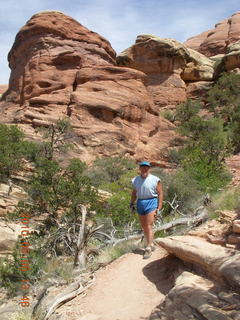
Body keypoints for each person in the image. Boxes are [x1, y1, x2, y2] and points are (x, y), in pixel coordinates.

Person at [130, 161, 163, 259]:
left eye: (146, 167)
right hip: (140, 202)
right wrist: (132, 203)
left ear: (149, 169)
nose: (144, 169)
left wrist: (159, 206)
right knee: (144, 225)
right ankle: (151, 243)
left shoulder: (155, 179)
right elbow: (134, 192)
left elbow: (160, 193)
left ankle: (148, 247)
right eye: (142, 167)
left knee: (149, 225)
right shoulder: (135, 180)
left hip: (151, 201)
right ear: (140, 168)